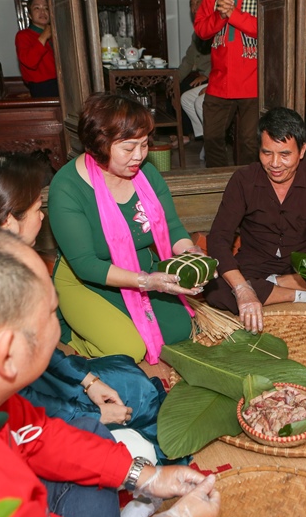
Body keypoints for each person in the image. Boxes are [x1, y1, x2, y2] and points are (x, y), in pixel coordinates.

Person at [0, 223, 220, 517]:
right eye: (49, 314)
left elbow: (36, 433)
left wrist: (144, 476)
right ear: (7, 352)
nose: (57, 330)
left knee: (88, 435)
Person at [0, 151, 176, 464]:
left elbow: (40, 350)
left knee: (133, 383)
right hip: (12, 417)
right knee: (134, 449)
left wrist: (88, 381)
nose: (43, 217)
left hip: (34, 380)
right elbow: (16, 403)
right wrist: (91, 414)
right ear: (8, 222)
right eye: (37, 208)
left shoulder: (3, 264)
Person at [48, 93, 210, 364]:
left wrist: (190, 254)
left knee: (179, 332)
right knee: (129, 350)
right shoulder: (67, 188)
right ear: (99, 145)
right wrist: (147, 282)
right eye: (128, 148)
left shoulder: (146, 174)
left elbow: (171, 227)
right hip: (87, 280)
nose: (139, 156)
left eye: (144, 144)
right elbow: (86, 264)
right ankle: (75, 338)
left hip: (141, 267)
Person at [204, 107, 306, 333]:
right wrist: (242, 288)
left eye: (284, 155)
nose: (275, 163)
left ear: (302, 151)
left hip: (305, 263)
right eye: (267, 153)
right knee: (214, 288)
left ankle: (274, 286)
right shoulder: (243, 180)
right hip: (254, 263)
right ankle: (301, 295)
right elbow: (218, 238)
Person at [194, 0, 259, 167]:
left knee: (249, 142)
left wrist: (233, 14)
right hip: (219, 80)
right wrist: (220, 15)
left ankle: (249, 182)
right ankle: (219, 180)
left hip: (254, 81)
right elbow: (201, 30)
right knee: (211, 138)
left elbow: (268, 28)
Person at [173, 0, 212, 148]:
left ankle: (191, 135)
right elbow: (188, 60)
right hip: (200, 75)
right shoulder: (197, 33)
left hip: (212, 76)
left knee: (186, 90)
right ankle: (181, 132)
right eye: (191, 4)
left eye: (198, 3)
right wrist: (174, 79)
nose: (194, 8)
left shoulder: (216, 26)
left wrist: (207, 75)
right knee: (175, 88)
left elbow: (221, 58)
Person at [15, 0, 59, 97]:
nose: (42, 12)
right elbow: (30, 62)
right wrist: (44, 36)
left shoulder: (55, 34)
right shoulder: (23, 35)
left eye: (46, 8)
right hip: (42, 86)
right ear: (30, 15)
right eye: (37, 8)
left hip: (60, 82)